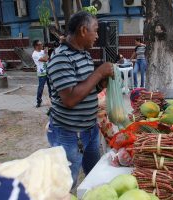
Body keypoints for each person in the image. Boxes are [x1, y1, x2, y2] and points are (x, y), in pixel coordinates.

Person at [46, 11, 114, 187]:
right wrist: (99, 73)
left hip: (89, 129)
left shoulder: (84, 54)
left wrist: (102, 82)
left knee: (94, 177)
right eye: (95, 30)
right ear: (84, 30)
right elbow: (70, 99)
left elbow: (86, 87)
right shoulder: (61, 57)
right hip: (69, 134)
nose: (97, 36)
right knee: (67, 185)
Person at [32, 40, 51, 108]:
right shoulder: (35, 54)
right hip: (41, 73)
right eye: (40, 44)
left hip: (48, 71)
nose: (42, 45)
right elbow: (45, 59)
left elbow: (48, 58)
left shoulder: (43, 51)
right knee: (41, 87)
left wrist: (46, 53)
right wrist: (46, 53)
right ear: (36, 46)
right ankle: (39, 101)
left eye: (42, 44)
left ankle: (52, 100)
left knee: (50, 86)